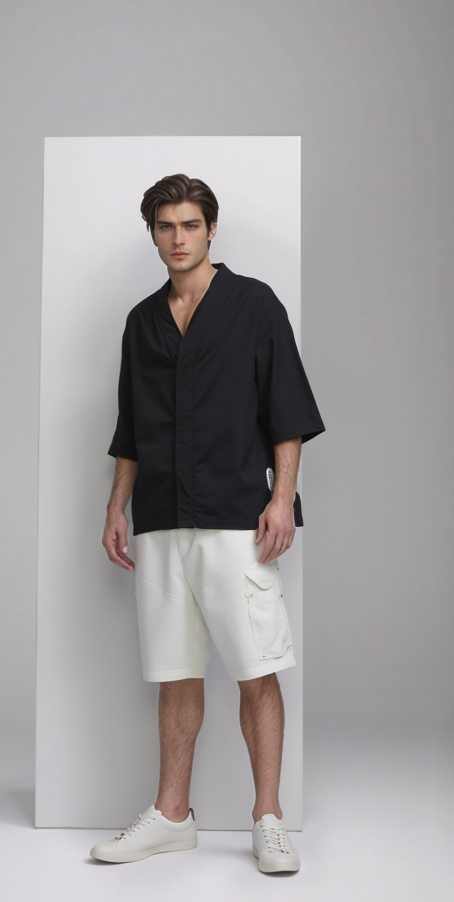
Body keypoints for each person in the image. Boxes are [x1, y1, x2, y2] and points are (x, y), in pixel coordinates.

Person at [90, 173, 325, 873]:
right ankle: (172, 816)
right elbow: (131, 425)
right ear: (153, 234)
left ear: (211, 229)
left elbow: (286, 410)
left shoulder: (254, 305)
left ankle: (268, 818)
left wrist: (282, 499)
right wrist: (117, 505)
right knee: (175, 672)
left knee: (256, 669)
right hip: (161, 517)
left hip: (234, 516)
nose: (178, 238)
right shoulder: (142, 321)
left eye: (190, 224)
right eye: (165, 227)